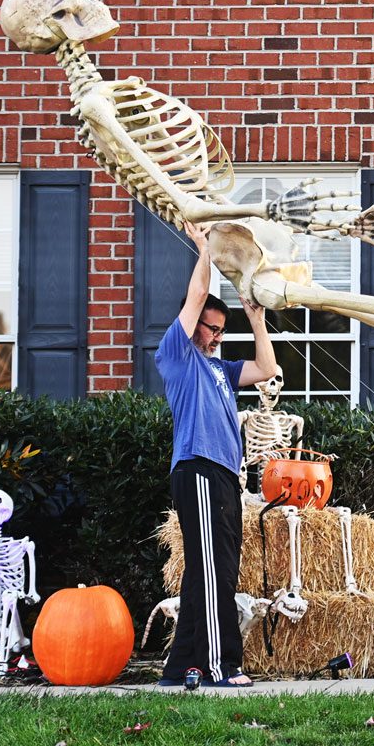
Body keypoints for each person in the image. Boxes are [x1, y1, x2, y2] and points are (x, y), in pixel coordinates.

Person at [156, 221, 277, 689]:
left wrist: (257, 318)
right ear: (194, 325)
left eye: (223, 330)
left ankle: (178, 668)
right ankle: (221, 666)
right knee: (214, 574)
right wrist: (204, 247)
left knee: (211, 572)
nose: (217, 337)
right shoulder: (176, 355)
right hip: (198, 470)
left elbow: (267, 368)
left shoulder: (222, 370)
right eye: (211, 328)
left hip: (225, 477)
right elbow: (197, 293)